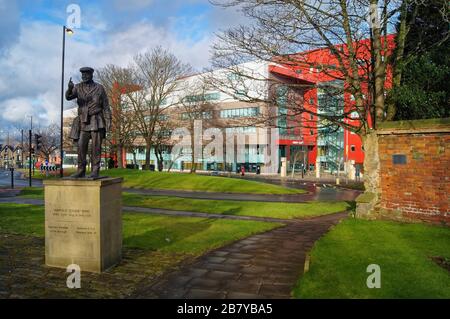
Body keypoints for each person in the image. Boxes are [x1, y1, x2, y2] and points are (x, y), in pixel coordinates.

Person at [66, 67, 111, 178]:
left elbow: (106, 106)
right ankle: (81, 170)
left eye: (86, 74)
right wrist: (69, 89)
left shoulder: (99, 88)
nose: (84, 76)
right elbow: (68, 97)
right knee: (81, 146)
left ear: (91, 75)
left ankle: (95, 170)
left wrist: (109, 120)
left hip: (97, 120)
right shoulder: (78, 87)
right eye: (83, 75)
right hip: (83, 121)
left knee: (96, 147)